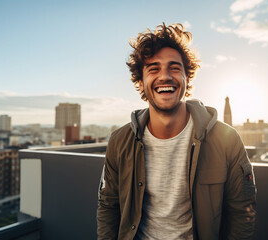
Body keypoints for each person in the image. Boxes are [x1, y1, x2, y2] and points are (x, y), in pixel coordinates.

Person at [97, 23, 257, 240]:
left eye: (174, 67)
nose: (165, 76)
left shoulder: (226, 140)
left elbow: (241, 214)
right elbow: (108, 206)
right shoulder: (120, 141)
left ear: (187, 78)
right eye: (153, 69)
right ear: (140, 82)